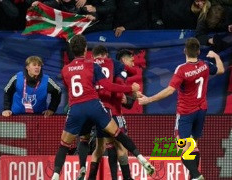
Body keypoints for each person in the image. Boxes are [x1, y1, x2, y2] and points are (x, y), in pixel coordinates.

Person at [51, 34, 155, 180]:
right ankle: (140, 158)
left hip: (76, 108)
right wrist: (130, 89)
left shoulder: (65, 70)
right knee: (117, 135)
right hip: (95, 106)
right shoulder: (93, 65)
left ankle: (57, 175)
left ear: (72, 51)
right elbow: (107, 85)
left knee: (66, 144)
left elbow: (70, 89)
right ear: (86, 49)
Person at [138, 37, 225, 180]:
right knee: (192, 146)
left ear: (185, 50)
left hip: (185, 114)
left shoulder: (182, 69)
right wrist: (216, 56)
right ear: (198, 51)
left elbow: (170, 90)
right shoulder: (205, 65)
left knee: (182, 149)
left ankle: (196, 176)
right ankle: (194, 176)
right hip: (201, 111)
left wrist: (149, 99)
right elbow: (221, 70)